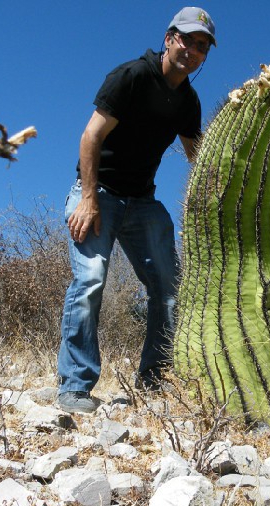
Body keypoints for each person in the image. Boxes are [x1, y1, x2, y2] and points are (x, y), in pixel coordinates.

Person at [56, 7, 216, 414]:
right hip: (98, 192)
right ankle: (75, 386)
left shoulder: (188, 101)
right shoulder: (131, 76)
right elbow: (91, 136)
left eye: (201, 46)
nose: (192, 50)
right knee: (90, 281)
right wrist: (89, 198)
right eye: (187, 39)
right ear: (169, 38)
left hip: (142, 201)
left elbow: (197, 157)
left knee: (168, 288)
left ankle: (153, 381)